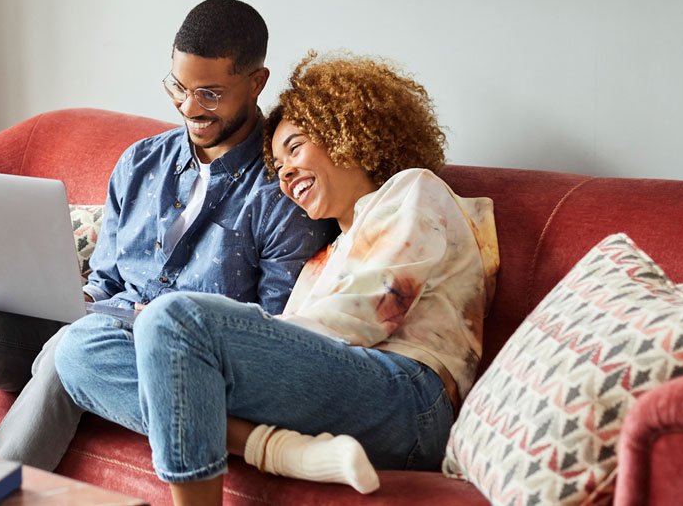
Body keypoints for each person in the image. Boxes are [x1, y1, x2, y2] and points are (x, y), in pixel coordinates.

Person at [0, 0, 337, 470]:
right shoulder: (141, 162)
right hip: (99, 320)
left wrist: (157, 319)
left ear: (256, 82)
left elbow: (270, 331)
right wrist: (54, 295)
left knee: (74, 346)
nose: (189, 107)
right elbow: (105, 278)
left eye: (209, 93)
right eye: (179, 87)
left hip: (163, 355)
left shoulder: (283, 190)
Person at [58, 51, 499, 505]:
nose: (284, 173)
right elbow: (291, 358)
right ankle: (276, 449)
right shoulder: (320, 261)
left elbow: (361, 320)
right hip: (337, 395)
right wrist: (172, 341)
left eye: (295, 147)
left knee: (173, 320)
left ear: (344, 133)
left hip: (409, 401)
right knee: (78, 350)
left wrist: (185, 329)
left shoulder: (412, 192)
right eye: (276, 163)